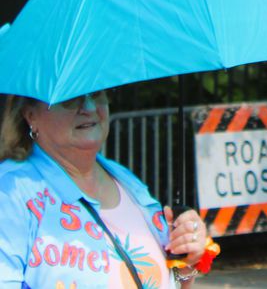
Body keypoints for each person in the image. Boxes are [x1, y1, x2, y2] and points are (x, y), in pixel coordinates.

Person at [0, 90, 217, 287]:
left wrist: (187, 259)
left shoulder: (123, 178)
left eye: (96, 94)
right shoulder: (10, 191)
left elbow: (170, 280)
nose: (90, 108)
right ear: (31, 116)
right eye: (70, 99)